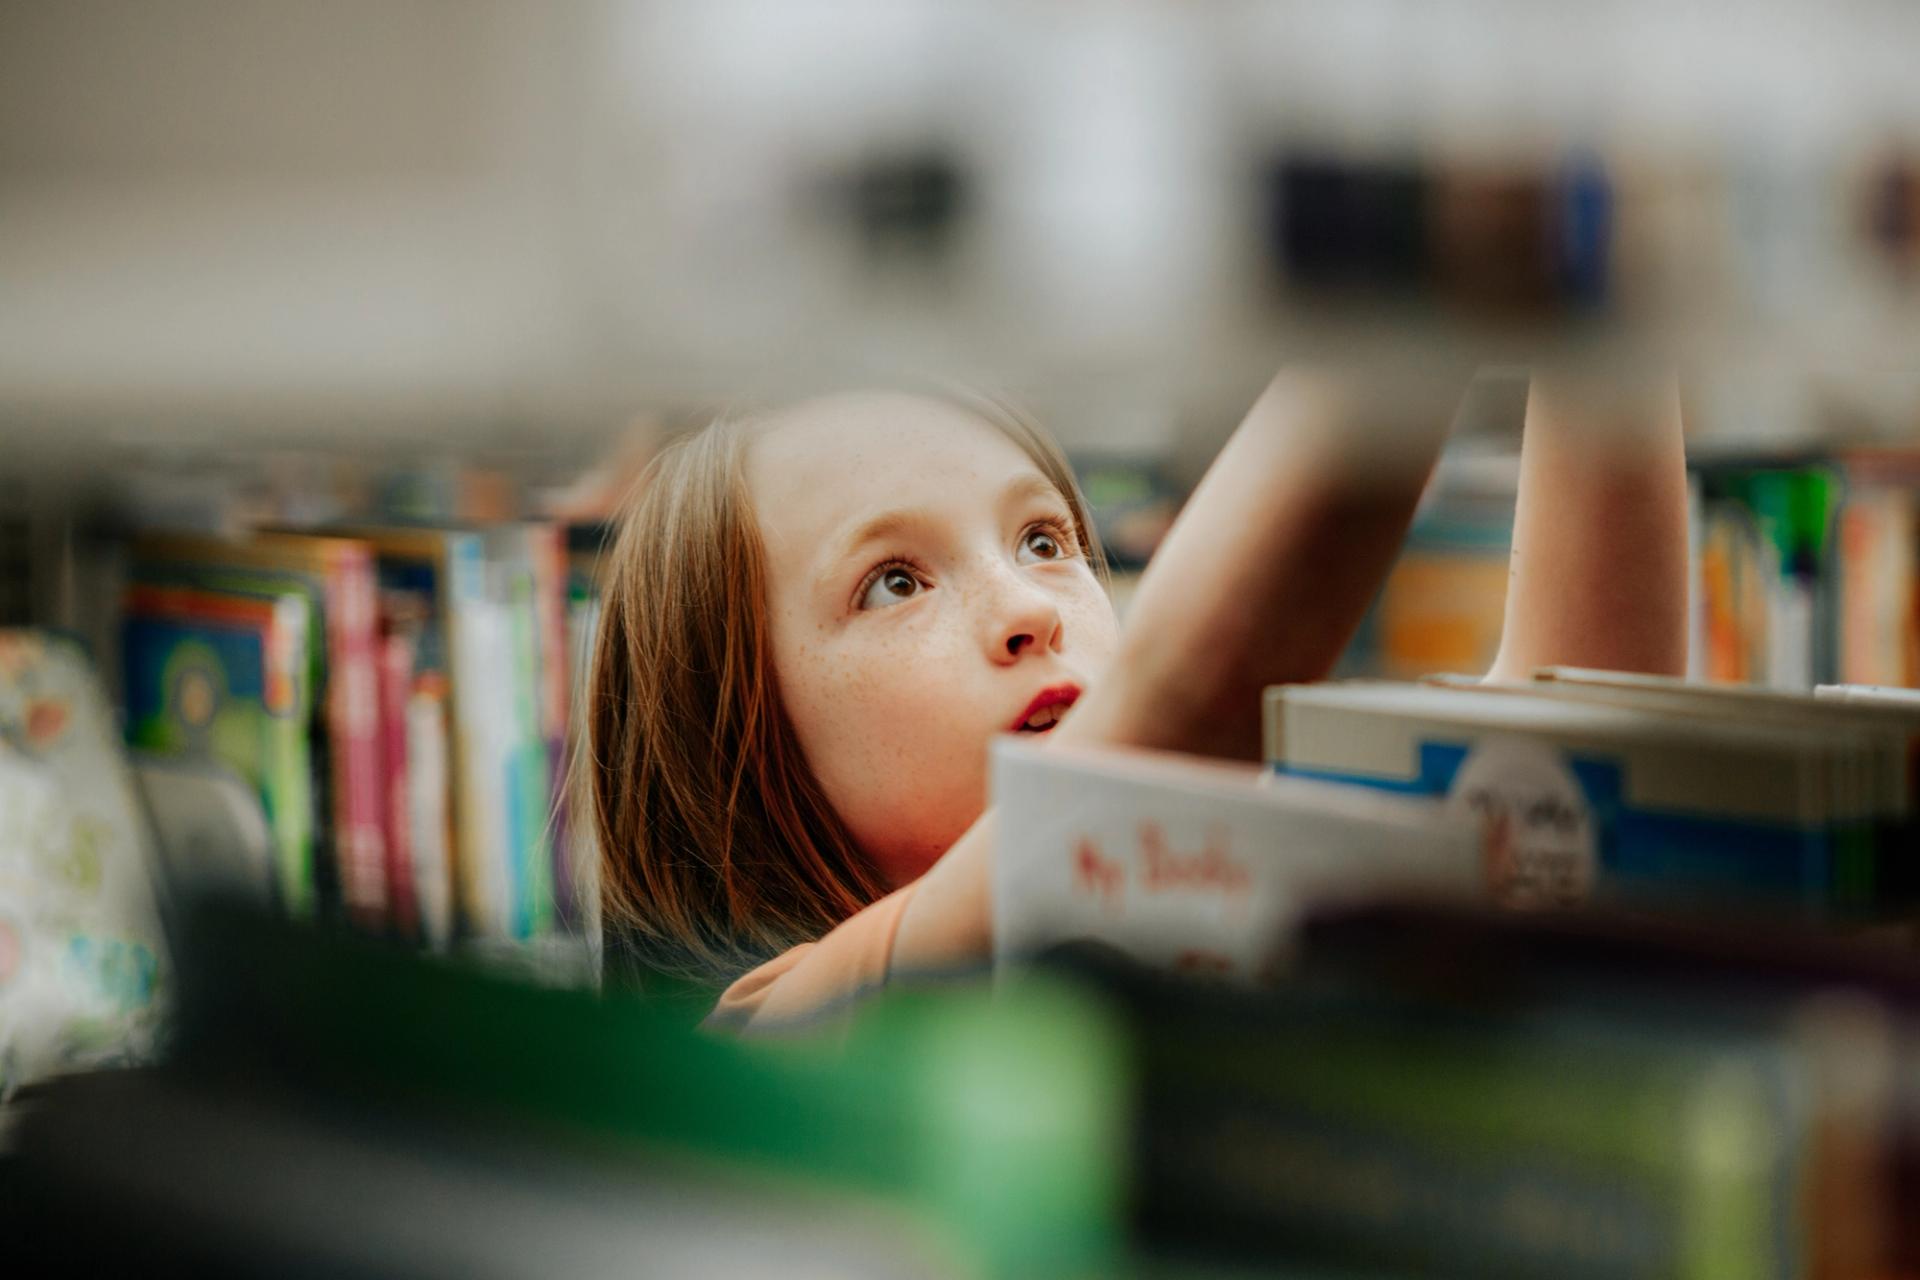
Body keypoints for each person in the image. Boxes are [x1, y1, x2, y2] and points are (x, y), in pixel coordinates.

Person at [582, 366, 1690, 1032]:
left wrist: (1605, 303)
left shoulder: (1241, 864)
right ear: (721, 764)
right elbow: (1183, 705)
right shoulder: (782, 1025)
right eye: (895, 582)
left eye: (1044, 538)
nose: (1029, 607)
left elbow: (1573, 744)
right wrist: (1427, 245)